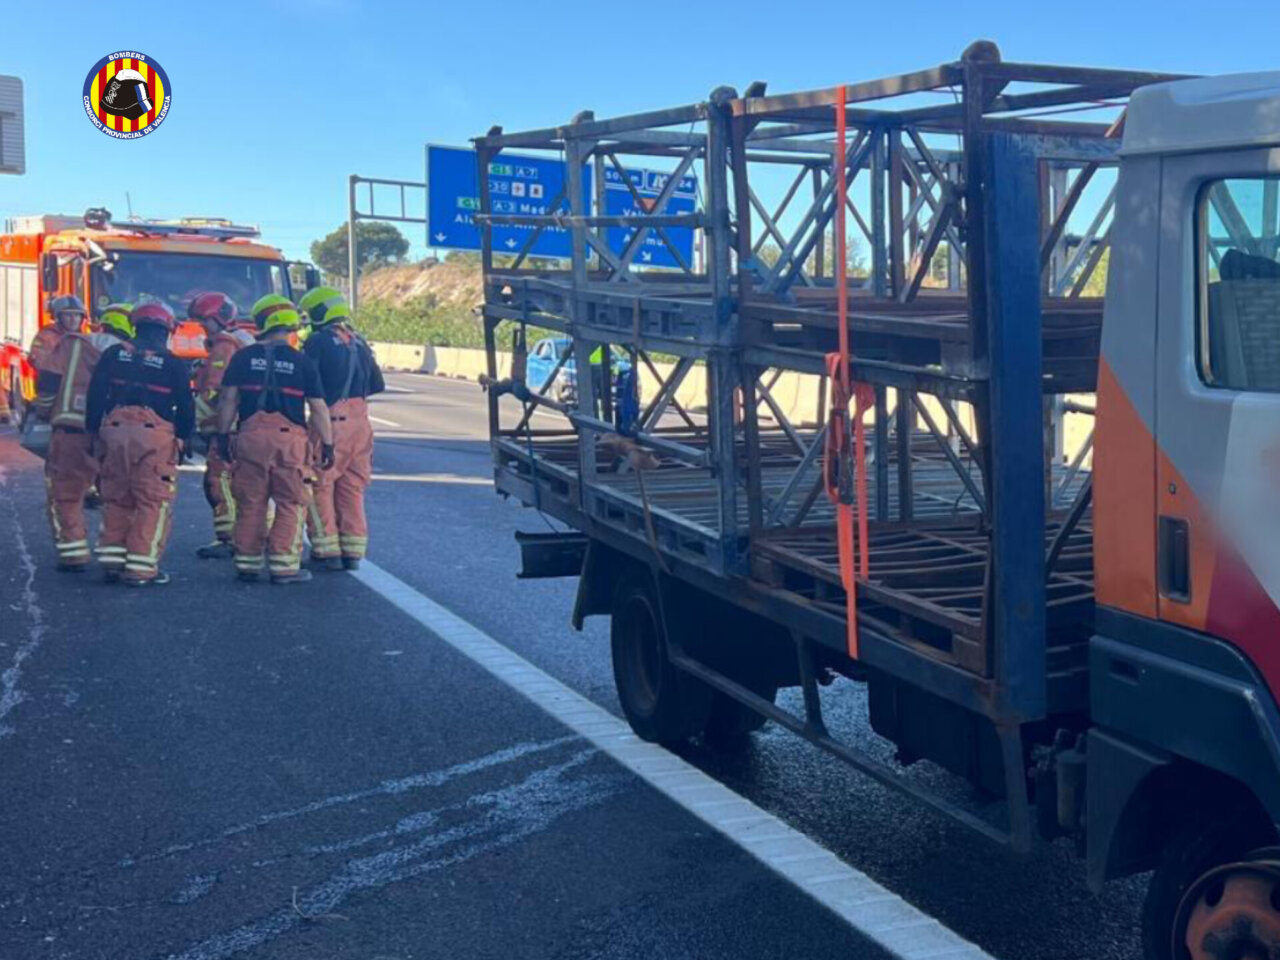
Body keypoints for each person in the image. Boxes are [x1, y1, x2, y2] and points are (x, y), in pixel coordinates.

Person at [214, 295, 334, 585]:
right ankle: (284, 567)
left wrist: (221, 436)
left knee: (251, 501)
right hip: (289, 442)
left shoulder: (243, 357)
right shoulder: (301, 361)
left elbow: (228, 400)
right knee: (290, 502)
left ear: (262, 322)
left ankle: (247, 564)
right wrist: (328, 444)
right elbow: (318, 408)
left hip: (250, 437)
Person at [85, 302, 194, 586]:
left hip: (114, 430)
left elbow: (95, 395)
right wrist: (184, 437)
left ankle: (112, 560)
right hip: (154, 436)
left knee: (116, 495)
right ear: (166, 330)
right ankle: (141, 567)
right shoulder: (172, 362)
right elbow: (185, 405)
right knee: (152, 500)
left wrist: (93, 432)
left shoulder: (113, 354)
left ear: (136, 326)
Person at [38, 301, 136, 571]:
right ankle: (116, 554)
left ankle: (73, 553)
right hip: (116, 433)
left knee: (66, 493)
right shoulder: (131, 354)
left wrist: (44, 411)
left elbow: (48, 380)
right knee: (118, 496)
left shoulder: (73, 344)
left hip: (72, 429)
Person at [298, 286, 383, 571]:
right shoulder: (358, 341)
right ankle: (353, 552)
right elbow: (377, 384)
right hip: (361, 424)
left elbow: (307, 383)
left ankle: (326, 551)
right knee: (353, 487)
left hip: (331, 422)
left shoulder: (317, 342)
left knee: (319, 485)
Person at [188, 292, 254, 559]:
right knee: (248, 483)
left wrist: (195, 421)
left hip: (226, 426)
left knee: (219, 481)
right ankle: (256, 534)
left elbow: (215, 391)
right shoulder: (244, 341)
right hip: (245, 425)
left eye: (204, 321)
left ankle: (229, 538)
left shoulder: (225, 345)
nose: (202, 327)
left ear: (219, 318)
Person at [29, 295, 86, 421]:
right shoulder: (47, 336)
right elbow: (39, 361)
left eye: (77, 315)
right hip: (55, 387)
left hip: (77, 387)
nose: (73, 319)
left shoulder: (85, 338)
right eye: (68, 315)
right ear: (59, 317)